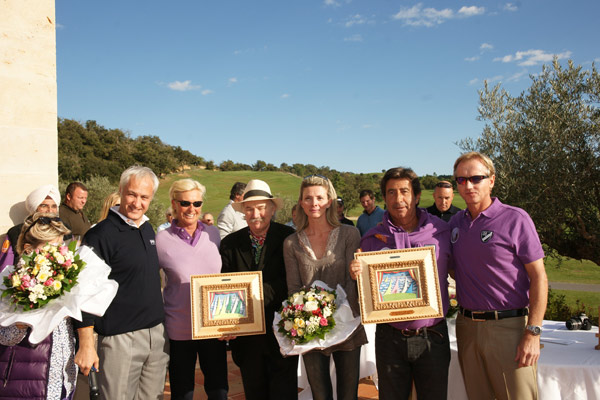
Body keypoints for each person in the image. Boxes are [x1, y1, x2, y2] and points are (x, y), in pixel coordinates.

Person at [450, 152, 547, 400]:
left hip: (509, 328)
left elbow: (539, 277)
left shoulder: (516, 219)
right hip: (467, 327)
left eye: (476, 178)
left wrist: (533, 332)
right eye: (461, 180)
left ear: (491, 180)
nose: (468, 185)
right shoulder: (455, 224)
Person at [349, 167, 452, 400]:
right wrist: (358, 274)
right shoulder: (372, 239)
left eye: (404, 191)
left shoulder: (441, 231)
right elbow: (367, 294)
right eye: (391, 192)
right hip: (389, 338)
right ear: (384, 198)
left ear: (416, 196)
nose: (398, 199)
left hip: (432, 336)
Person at [73, 166, 169, 399]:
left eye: (144, 197)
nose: (137, 203)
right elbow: (82, 290)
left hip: (156, 337)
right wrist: (86, 346)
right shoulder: (101, 234)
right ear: (121, 191)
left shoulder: (147, 228)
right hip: (120, 340)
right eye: (132, 194)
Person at [284, 175, 366, 400]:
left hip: (348, 324)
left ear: (329, 200)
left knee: (348, 394)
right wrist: (309, 318)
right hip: (311, 328)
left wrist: (334, 316)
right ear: (301, 202)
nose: (314, 203)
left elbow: (353, 280)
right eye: (308, 198)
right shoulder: (291, 243)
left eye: (319, 197)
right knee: (320, 395)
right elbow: (293, 289)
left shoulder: (350, 234)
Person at [220, 179, 298, 400]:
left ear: (272, 209)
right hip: (247, 338)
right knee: (254, 392)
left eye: (262, 207)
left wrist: (255, 293)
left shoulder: (288, 239)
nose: (256, 214)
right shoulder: (230, 244)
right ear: (243, 211)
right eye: (249, 208)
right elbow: (225, 286)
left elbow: (292, 281)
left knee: (284, 393)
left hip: (282, 332)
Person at [156, 179, 228, 400]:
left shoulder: (213, 235)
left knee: (219, 390)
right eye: (185, 202)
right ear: (174, 203)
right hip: (179, 328)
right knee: (182, 392)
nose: (192, 209)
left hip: (213, 327)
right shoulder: (161, 240)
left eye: (197, 203)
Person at [0, 212, 76, 399]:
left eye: (60, 246)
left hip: (62, 380)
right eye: (50, 247)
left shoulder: (64, 278)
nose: (57, 253)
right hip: (25, 383)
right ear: (28, 249)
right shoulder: (11, 283)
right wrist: (22, 319)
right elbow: (4, 336)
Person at [1, 184, 61, 271]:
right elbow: (5, 268)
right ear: (35, 208)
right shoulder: (16, 232)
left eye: (53, 206)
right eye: (44, 206)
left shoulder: (64, 230)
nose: (50, 210)